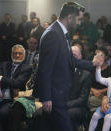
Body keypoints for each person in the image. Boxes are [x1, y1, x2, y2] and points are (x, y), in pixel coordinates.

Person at [33, 2, 96, 131]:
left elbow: (69, 59)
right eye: (78, 19)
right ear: (70, 17)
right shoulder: (53, 34)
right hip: (54, 96)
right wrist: (46, 98)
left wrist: (92, 64)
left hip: (59, 94)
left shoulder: (60, 32)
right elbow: (45, 68)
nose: (79, 23)